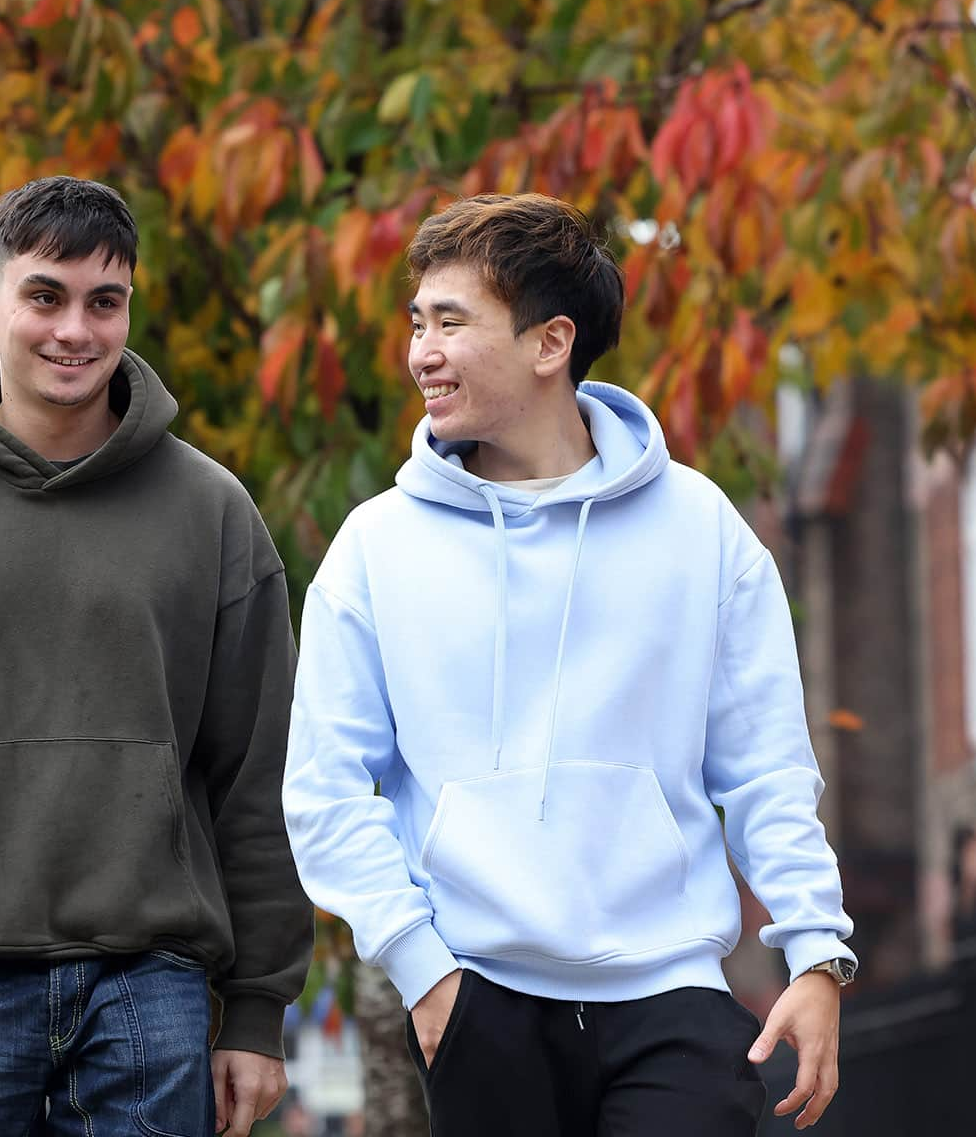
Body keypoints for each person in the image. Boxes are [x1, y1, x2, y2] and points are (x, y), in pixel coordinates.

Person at [283, 194, 856, 1136]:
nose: (421, 351)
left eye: (452, 322)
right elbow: (327, 792)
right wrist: (424, 975)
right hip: (480, 1001)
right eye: (417, 322)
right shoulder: (376, 546)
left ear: (551, 343)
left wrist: (816, 951)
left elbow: (765, 770)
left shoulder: (699, 527)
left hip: (673, 995)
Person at [0, 176, 313, 1136]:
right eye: (45, 295)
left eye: (103, 301)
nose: (74, 329)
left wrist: (257, 1009)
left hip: (152, 982)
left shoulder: (212, 513)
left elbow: (260, 778)